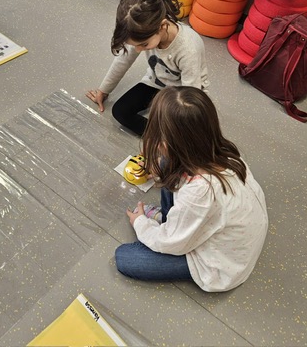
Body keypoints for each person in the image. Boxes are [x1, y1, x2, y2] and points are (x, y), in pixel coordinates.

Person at [115, 86, 268, 292]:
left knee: (124, 257)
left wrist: (140, 223)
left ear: (166, 144)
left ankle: (170, 223)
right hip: (230, 233)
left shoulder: (200, 194)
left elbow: (172, 243)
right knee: (165, 166)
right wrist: (160, 170)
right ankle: (171, 221)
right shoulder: (225, 152)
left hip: (221, 266)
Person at [86, 0, 209, 136]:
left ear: (162, 26)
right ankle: (161, 136)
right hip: (157, 83)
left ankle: (170, 137)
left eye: (143, 45)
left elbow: (191, 92)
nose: (138, 50)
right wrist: (104, 90)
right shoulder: (139, 32)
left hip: (183, 92)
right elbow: (122, 61)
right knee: (120, 111)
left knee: (183, 126)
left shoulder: (188, 47)